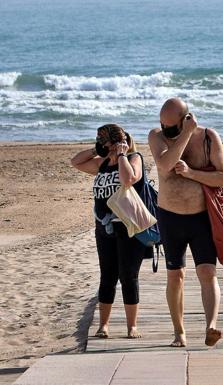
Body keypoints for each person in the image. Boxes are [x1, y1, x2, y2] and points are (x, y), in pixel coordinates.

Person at [148, 98, 223, 347]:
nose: (166, 129)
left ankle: (211, 325)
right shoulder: (157, 137)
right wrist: (183, 134)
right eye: (163, 124)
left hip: (202, 217)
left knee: (207, 271)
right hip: (170, 217)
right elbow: (165, 164)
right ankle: (179, 332)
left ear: (186, 119)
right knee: (176, 275)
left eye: (172, 126)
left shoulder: (208, 137)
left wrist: (192, 173)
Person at [70, 124, 145, 339]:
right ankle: (103, 325)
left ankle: (132, 326)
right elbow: (75, 162)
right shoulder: (101, 164)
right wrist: (96, 150)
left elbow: (129, 179)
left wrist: (122, 155)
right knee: (107, 276)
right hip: (104, 227)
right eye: (101, 142)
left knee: (128, 276)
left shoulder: (134, 159)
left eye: (105, 142)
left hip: (128, 226)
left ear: (119, 142)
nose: (105, 146)